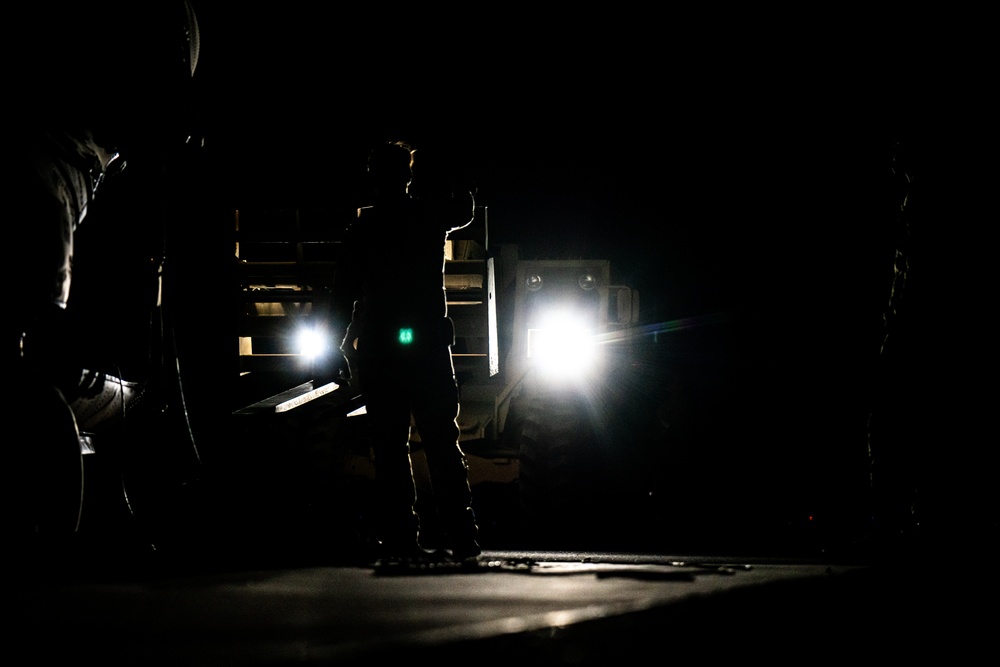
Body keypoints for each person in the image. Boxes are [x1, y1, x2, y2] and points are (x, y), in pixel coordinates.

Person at [328, 140, 481, 562]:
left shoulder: (363, 230)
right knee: (441, 444)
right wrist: (456, 175)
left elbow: (342, 297)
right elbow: (463, 208)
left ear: (374, 178)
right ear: (407, 175)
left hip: (381, 350)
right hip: (428, 347)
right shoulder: (428, 216)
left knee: (391, 449)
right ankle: (462, 538)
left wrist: (334, 346)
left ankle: (401, 539)